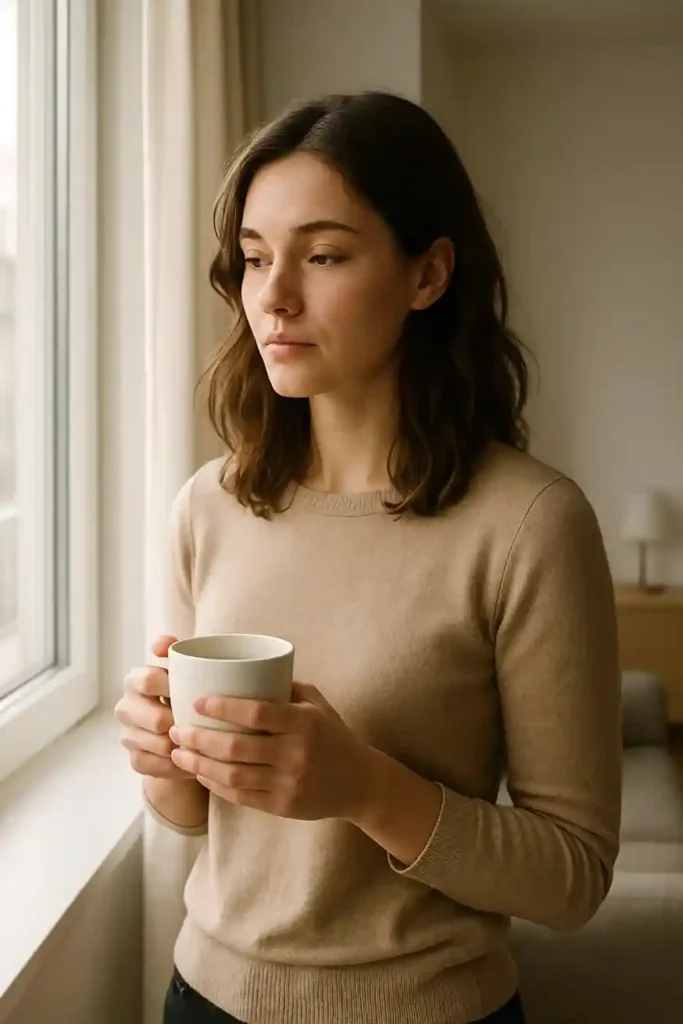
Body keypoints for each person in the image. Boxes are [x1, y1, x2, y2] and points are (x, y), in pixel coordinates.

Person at [115, 91, 622, 1024]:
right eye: (257, 258)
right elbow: (195, 820)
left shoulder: (529, 523)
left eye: (324, 256)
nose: (272, 296)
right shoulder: (209, 504)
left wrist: (364, 788)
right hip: (204, 999)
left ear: (427, 275)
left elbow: (573, 876)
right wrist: (164, 761)